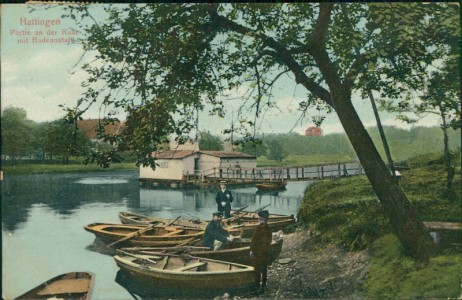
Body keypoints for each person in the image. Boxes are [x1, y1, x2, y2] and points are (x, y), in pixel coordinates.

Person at [250, 210, 272, 293]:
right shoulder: (268, 228)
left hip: (258, 252)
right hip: (265, 252)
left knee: (257, 269)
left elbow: (254, 241)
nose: (259, 220)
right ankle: (263, 285)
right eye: (259, 219)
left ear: (263, 219)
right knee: (264, 269)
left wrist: (252, 250)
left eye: (260, 219)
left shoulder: (259, 228)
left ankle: (257, 286)